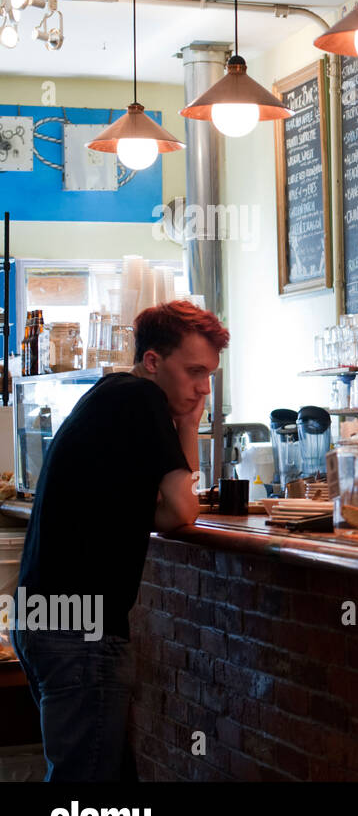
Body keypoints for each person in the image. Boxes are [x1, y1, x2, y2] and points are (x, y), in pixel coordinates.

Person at [10, 300, 227, 781]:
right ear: (153, 361)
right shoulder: (139, 399)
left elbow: (168, 512)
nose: (203, 388)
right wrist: (190, 426)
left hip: (45, 615)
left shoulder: (111, 396)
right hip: (81, 627)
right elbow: (182, 510)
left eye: (209, 374)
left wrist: (188, 423)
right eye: (194, 371)